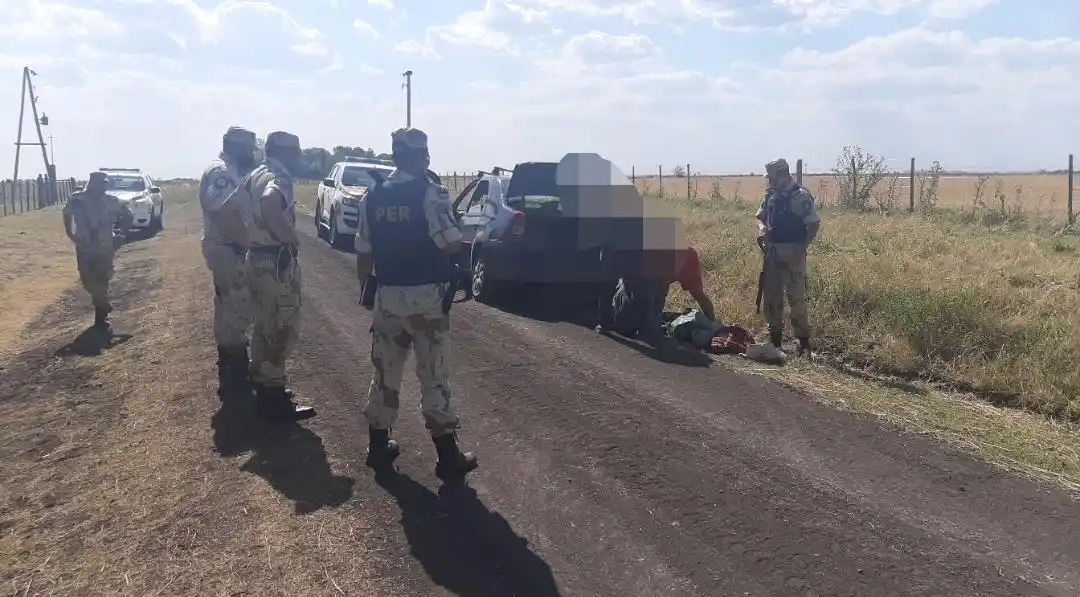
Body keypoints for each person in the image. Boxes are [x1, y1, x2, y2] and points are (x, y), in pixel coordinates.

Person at [356, 126, 478, 482]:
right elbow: (450, 244)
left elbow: (363, 252)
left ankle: (378, 445)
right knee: (433, 373)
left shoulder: (373, 196)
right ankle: (447, 455)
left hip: (387, 295)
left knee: (385, 372)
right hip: (426, 299)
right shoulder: (431, 192)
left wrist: (368, 293)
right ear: (421, 156)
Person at [219, 130, 315, 422]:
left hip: (256, 259)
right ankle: (273, 399)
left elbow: (228, 209)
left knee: (264, 325)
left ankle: (265, 387)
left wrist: (249, 240)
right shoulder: (279, 178)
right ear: (285, 152)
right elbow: (270, 204)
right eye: (296, 151)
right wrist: (288, 238)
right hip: (275, 263)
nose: (299, 157)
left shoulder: (253, 174)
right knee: (281, 327)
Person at [199, 126, 258, 390]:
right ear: (236, 146)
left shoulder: (225, 170)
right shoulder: (222, 172)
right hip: (229, 249)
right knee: (236, 308)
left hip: (224, 248)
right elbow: (225, 213)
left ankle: (231, 367)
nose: (253, 153)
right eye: (250, 148)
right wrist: (247, 244)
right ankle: (235, 371)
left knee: (228, 307)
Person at [755, 158, 820, 357]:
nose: (768, 180)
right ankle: (775, 342)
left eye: (771, 176)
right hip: (772, 251)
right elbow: (759, 216)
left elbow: (814, 224)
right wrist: (763, 228)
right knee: (772, 298)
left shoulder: (801, 196)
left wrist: (802, 247)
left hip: (793, 252)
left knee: (796, 299)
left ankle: (803, 344)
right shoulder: (770, 195)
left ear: (781, 173)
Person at [62, 171, 134, 329]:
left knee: (101, 281)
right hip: (85, 247)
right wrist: (70, 232)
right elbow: (66, 214)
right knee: (87, 281)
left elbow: (129, 215)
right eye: (100, 184)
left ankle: (100, 317)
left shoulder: (111, 201)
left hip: (105, 247)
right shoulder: (78, 200)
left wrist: (121, 235)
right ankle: (103, 303)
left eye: (104, 184)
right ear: (92, 184)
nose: (103, 188)